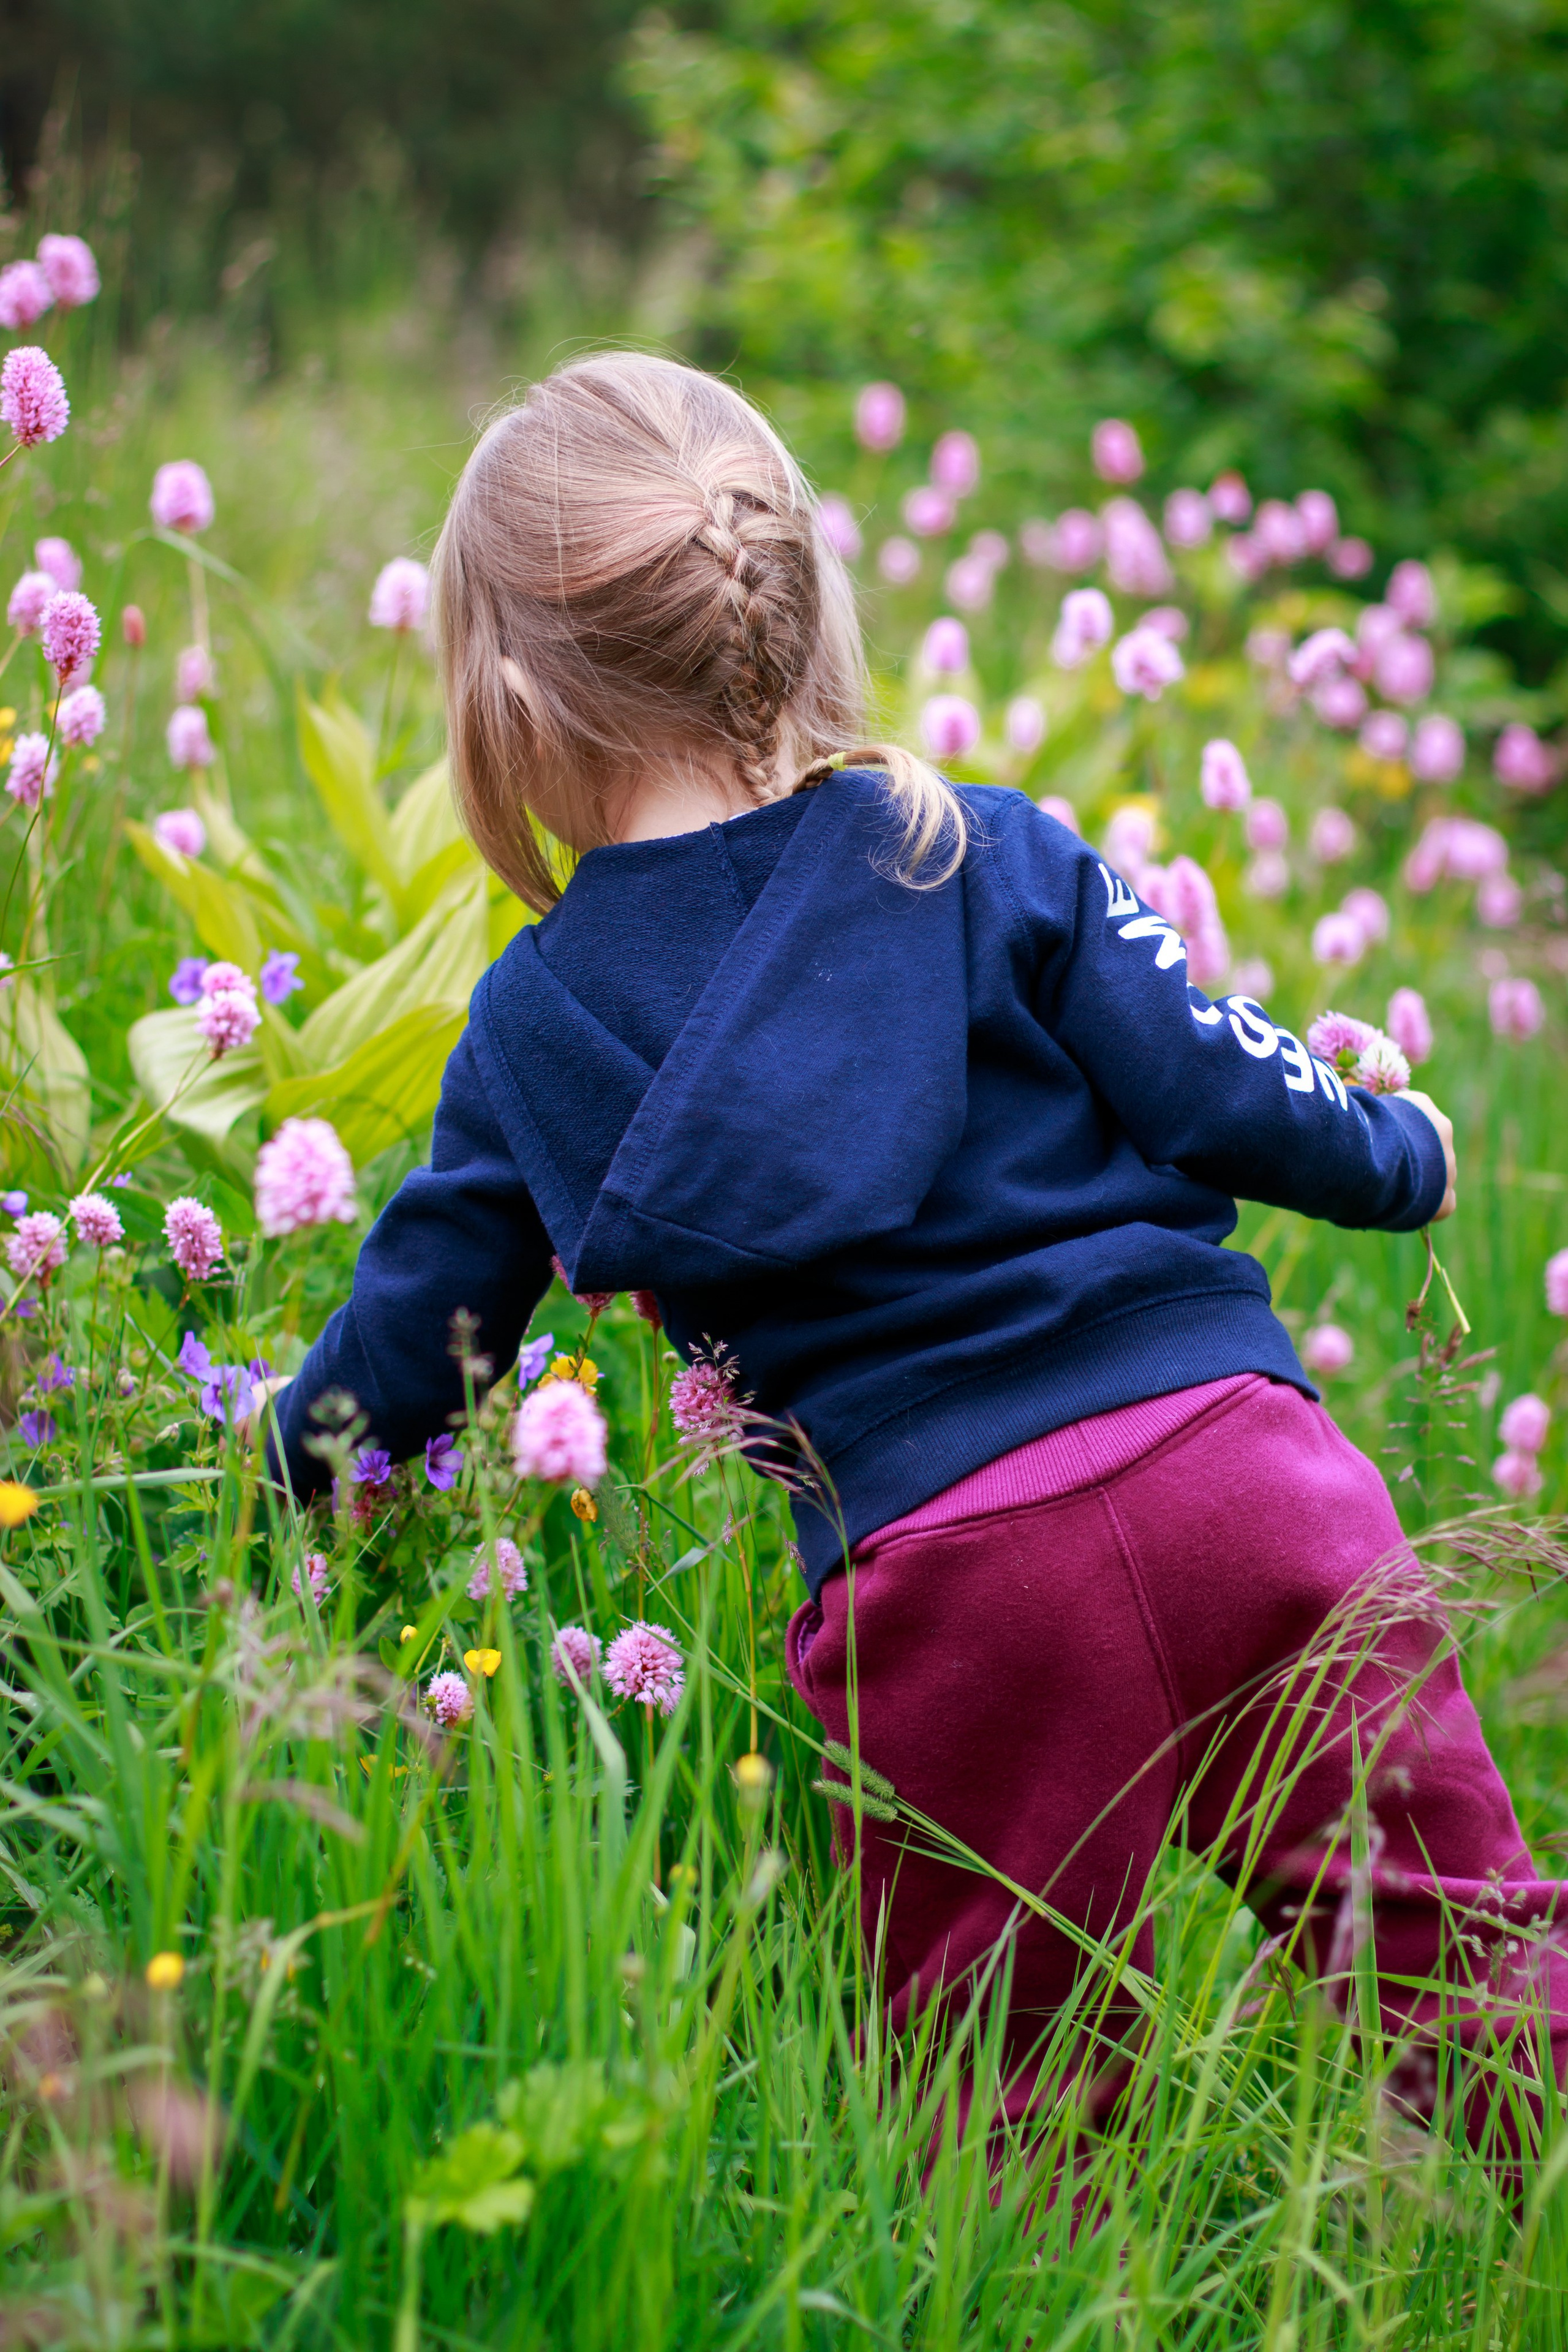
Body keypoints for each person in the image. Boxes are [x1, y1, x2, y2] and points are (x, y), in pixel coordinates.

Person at [267, 350, 1564, 2164]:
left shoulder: (532, 1031)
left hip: (953, 1589)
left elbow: (419, 1339)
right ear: (794, 607)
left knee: (1011, 2120)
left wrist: (278, 1491)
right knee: (1474, 1970)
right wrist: (1400, 1151)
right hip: (1245, 1481)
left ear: (507, 698)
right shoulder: (983, 851)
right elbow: (1218, 1084)